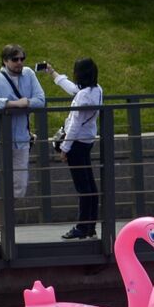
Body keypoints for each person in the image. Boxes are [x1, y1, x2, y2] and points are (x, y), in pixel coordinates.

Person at [0, 44, 46, 244]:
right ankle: (0, 227)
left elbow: (40, 100)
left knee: (19, 184)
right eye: (15, 59)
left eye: (22, 59)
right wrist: (12, 104)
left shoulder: (29, 75)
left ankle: (0, 218)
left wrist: (27, 103)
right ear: (5, 60)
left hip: (20, 139)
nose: (19, 63)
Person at [43, 58, 102, 240]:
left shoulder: (83, 96)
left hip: (76, 143)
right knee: (89, 185)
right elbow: (73, 89)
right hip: (87, 141)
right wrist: (53, 73)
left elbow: (75, 124)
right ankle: (90, 226)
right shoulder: (96, 90)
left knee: (83, 187)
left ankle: (82, 227)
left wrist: (65, 149)